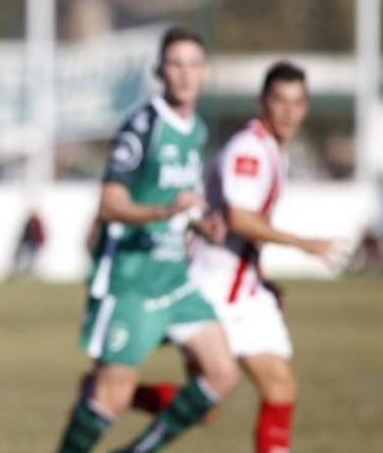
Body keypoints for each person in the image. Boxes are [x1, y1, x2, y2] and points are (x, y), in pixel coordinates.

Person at [55, 27, 239, 453]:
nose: (186, 74)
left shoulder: (195, 129)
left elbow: (179, 201)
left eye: (194, 65)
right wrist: (166, 212)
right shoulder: (143, 125)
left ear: (205, 72)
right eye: (176, 64)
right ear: (160, 71)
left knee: (221, 374)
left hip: (174, 279)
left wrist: (200, 225)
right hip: (131, 280)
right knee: (112, 396)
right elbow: (110, 203)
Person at [185, 61, 336, 453]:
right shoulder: (248, 149)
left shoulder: (273, 151)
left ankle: (107, 395)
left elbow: (246, 233)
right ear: (260, 103)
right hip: (215, 289)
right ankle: (109, 396)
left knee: (281, 388)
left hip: (244, 290)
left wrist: (261, 279)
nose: (289, 111)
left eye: (298, 102)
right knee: (206, 407)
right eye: (280, 101)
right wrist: (305, 244)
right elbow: (239, 219)